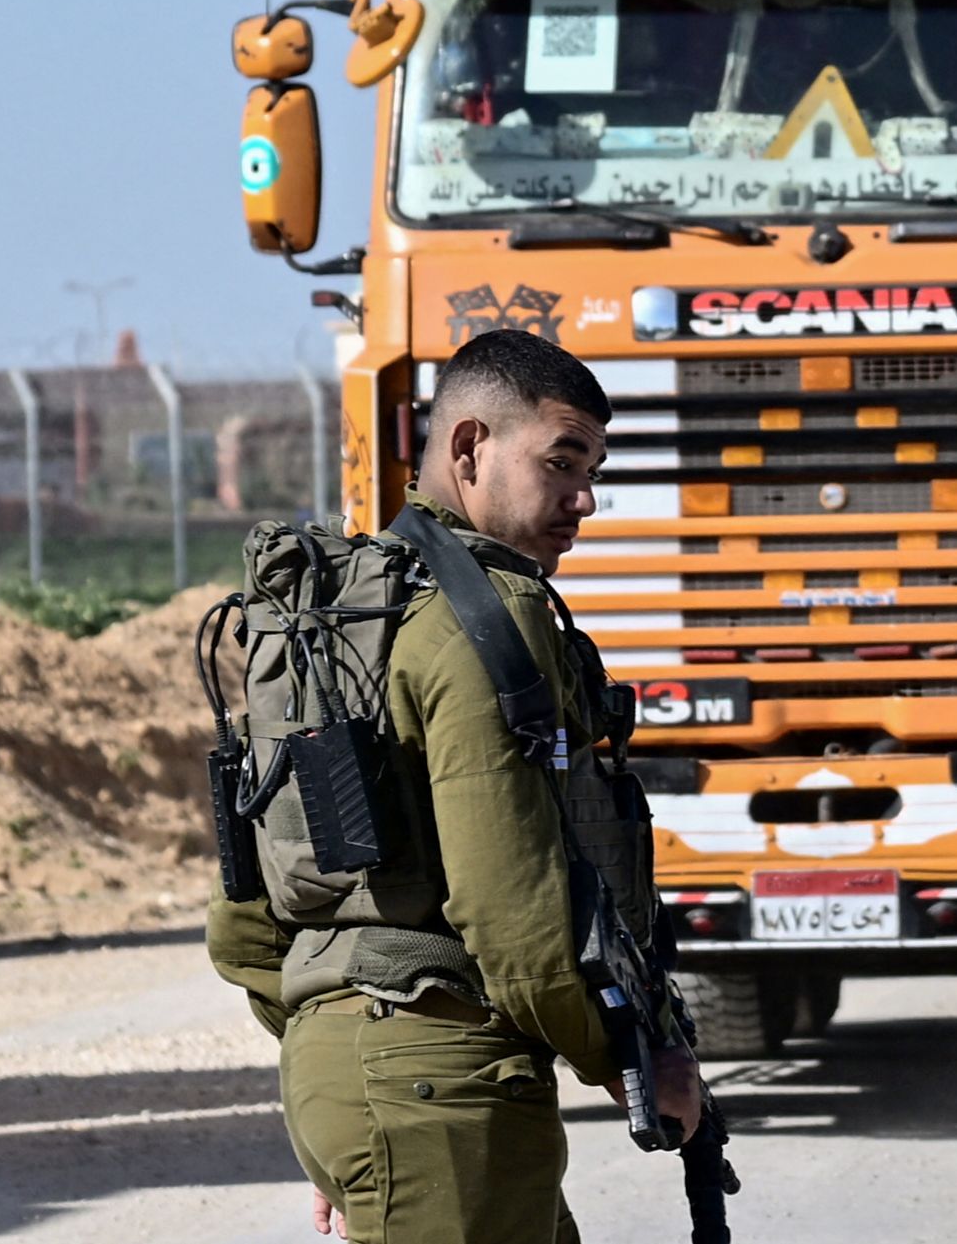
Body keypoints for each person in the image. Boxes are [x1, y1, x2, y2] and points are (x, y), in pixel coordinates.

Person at [207, 330, 700, 1241]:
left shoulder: (340, 610)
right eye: (561, 461)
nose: (584, 497)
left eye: (593, 467)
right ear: (469, 448)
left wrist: (349, 1088)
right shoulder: (486, 616)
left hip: (371, 1078)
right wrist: (635, 1065)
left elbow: (246, 917)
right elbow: (514, 910)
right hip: (438, 1083)